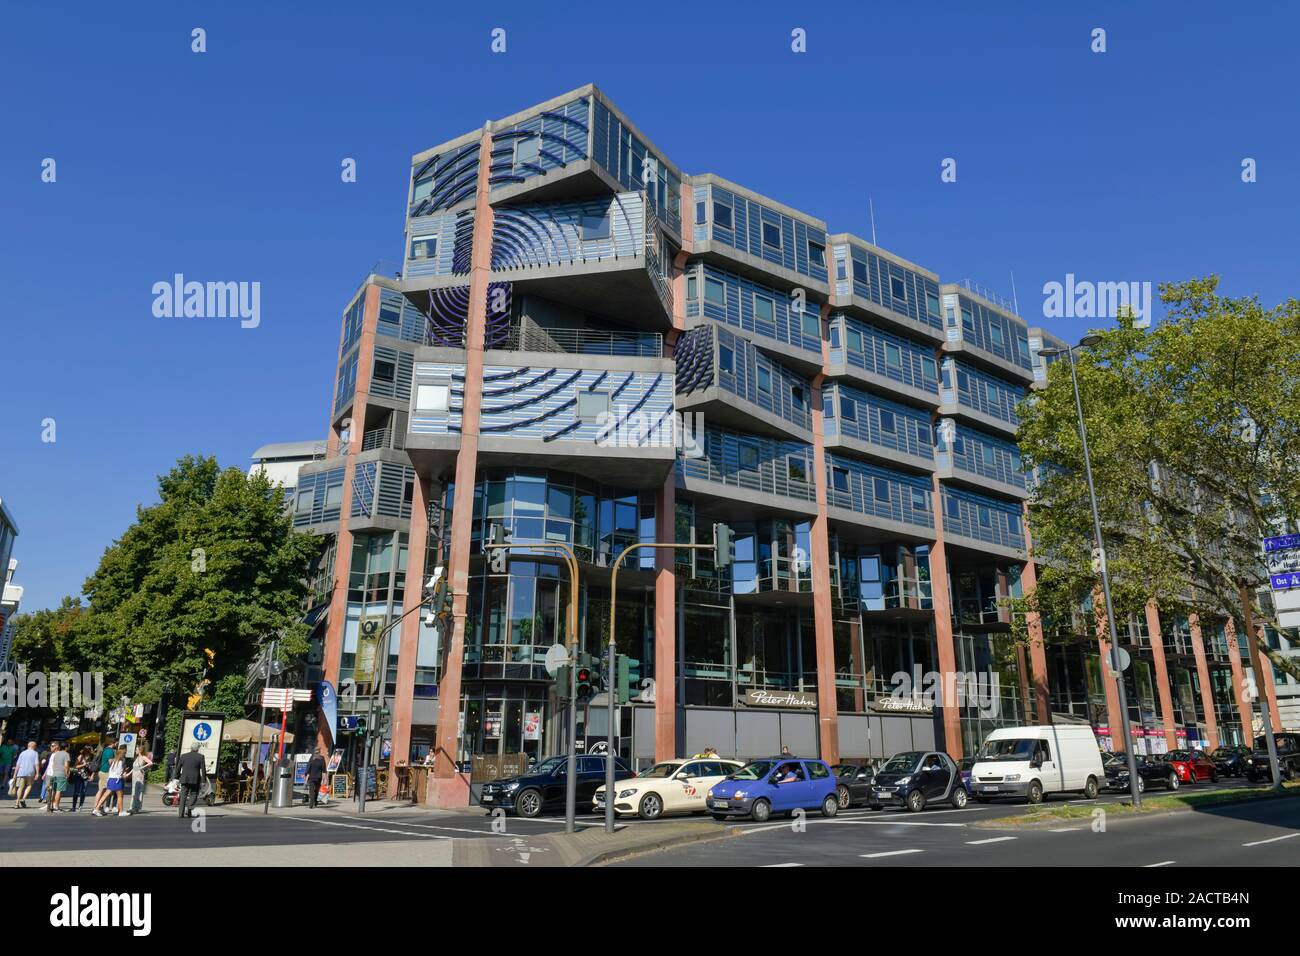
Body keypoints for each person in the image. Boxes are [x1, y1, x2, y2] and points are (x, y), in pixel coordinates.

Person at [175, 742, 207, 818]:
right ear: (198, 748)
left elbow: (178, 768)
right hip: (195, 779)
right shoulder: (200, 757)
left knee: (183, 796)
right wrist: (203, 781)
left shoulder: (183, 756)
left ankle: (181, 814)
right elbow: (203, 770)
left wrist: (176, 778)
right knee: (194, 794)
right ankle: (189, 808)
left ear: (191, 748)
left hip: (184, 779)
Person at [91, 737, 117, 814]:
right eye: (117, 743)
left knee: (102, 790)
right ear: (113, 743)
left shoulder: (105, 749)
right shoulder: (110, 751)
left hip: (102, 771)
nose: (117, 744)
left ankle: (98, 806)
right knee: (104, 791)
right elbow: (111, 763)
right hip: (106, 772)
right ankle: (97, 807)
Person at [44, 741, 71, 812]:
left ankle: (51, 805)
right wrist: (67, 774)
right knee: (59, 791)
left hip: (54, 773)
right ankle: (56, 806)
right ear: (66, 747)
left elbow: (53, 765)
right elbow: (66, 766)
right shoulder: (66, 754)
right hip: (61, 774)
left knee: (53, 790)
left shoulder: (56, 754)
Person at [13, 741, 40, 808]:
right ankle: (23, 799)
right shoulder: (35, 753)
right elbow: (36, 764)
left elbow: (18, 764)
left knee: (20, 787)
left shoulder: (22, 753)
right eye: (35, 746)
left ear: (28, 746)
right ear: (34, 746)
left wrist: (14, 774)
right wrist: (37, 773)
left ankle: (17, 803)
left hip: (21, 772)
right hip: (30, 772)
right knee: (29, 785)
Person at [129, 750, 153, 814]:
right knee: (134, 791)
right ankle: (132, 807)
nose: (135, 751)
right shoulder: (137, 758)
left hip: (139, 776)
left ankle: (135, 808)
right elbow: (134, 768)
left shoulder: (143, 757)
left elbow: (150, 762)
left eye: (136, 750)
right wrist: (128, 774)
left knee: (138, 792)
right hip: (134, 776)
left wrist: (142, 767)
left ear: (140, 751)